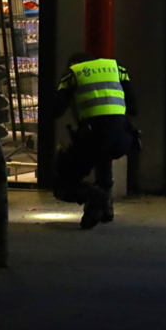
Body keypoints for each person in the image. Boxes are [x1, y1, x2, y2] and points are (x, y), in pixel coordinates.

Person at [53, 52, 139, 229]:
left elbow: (56, 110)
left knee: (63, 185)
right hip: (123, 140)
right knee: (103, 155)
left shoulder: (73, 72)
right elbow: (133, 108)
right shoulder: (117, 68)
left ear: (74, 64)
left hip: (91, 138)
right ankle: (103, 207)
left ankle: (95, 195)